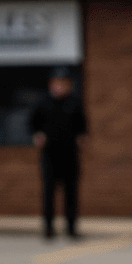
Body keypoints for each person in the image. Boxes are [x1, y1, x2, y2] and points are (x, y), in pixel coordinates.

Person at [30, 67, 88, 239]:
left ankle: (71, 227)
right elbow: (33, 124)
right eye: (58, 83)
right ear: (52, 84)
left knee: (71, 193)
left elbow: (83, 125)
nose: (61, 86)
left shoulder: (74, 103)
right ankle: (48, 228)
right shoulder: (43, 103)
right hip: (50, 155)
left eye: (65, 83)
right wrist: (37, 135)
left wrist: (82, 137)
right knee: (49, 192)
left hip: (70, 154)